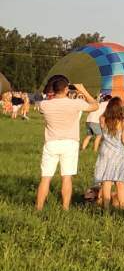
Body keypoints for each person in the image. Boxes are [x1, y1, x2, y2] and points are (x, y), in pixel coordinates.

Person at [35, 75, 95, 211]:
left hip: (51, 142)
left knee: (45, 178)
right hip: (70, 143)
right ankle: (65, 207)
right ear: (66, 89)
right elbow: (95, 106)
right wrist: (83, 91)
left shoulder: (44, 105)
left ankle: (38, 207)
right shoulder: (75, 104)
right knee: (66, 177)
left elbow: (42, 107)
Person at [93, 98, 124, 210]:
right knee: (120, 182)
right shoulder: (123, 121)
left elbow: (104, 134)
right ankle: (122, 208)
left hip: (106, 151)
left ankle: (106, 208)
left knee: (106, 181)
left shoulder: (102, 118)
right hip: (119, 153)